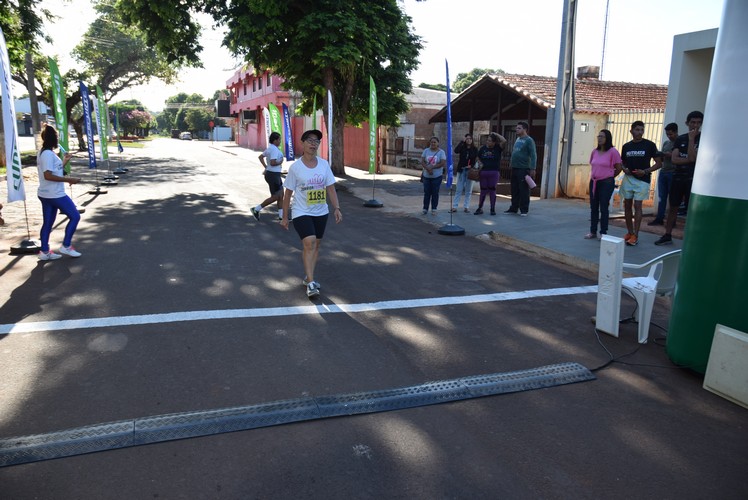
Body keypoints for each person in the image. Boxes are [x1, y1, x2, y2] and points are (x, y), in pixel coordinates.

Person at [280, 129, 343, 298]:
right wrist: (285, 216)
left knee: (317, 245)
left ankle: (309, 277)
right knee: (309, 242)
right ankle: (312, 283)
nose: (313, 144)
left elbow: (330, 187)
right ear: (302, 143)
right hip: (301, 211)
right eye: (310, 140)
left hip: (321, 211)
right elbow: (287, 194)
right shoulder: (295, 168)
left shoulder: (323, 165)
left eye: (316, 141)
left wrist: (336, 208)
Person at [656, 111, 703, 246]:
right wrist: (688, 158)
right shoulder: (680, 139)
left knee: (691, 210)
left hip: (693, 179)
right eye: (693, 122)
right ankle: (667, 235)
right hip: (678, 177)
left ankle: (690, 238)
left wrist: (691, 140)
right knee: (673, 208)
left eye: (698, 122)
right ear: (687, 123)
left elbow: (694, 159)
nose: (695, 125)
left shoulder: (703, 139)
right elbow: (675, 159)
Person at [36, 125, 83, 261]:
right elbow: (48, 175)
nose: (58, 140)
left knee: (48, 224)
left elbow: (54, 170)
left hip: (47, 194)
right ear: (53, 139)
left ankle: (44, 251)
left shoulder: (45, 153)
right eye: (57, 137)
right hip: (54, 194)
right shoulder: (47, 154)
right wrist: (69, 179)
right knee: (75, 216)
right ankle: (66, 246)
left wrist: (64, 162)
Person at [619, 120, 662, 246]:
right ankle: (629, 232)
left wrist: (645, 171)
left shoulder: (650, 145)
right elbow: (623, 162)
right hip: (628, 179)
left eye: (641, 130)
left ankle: (635, 236)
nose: (639, 132)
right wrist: (624, 168)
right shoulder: (626, 146)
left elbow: (659, 163)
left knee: (638, 206)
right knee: (627, 205)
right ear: (631, 130)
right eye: (637, 130)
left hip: (642, 180)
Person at [585, 129, 622, 239]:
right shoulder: (594, 152)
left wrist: (609, 176)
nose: (600, 138)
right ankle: (593, 231)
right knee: (594, 207)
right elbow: (593, 164)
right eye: (599, 136)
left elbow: (618, 167)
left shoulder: (613, 152)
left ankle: (603, 232)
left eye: (602, 137)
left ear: (607, 139)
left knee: (604, 207)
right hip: (594, 181)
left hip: (606, 182)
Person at [648, 123, 678, 226]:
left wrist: (666, 154)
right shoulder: (666, 143)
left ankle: (672, 220)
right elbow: (662, 157)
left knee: (672, 198)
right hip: (664, 171)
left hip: (673, 172)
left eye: (671, 134)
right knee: (662, 197)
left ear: (676, 132)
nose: (669, 136)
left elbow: (675, 156)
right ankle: (659, 218)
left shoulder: (679, 143)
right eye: (667, 134)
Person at [505, 121, 537, 216]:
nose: (516, 130)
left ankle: (524, 209)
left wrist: (532, 168)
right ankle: (514, 208)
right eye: (516, 128)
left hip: (523, 168)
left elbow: (533, 155)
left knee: (523, 190)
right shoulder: (517, 139)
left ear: (525, 129)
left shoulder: (529, 140)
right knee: (514, 189)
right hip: (515, 168)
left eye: (519, 128)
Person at [251, 131, 284, 221]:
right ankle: (256, 209)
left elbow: (260, 157)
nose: (280, 141)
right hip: (273, 175)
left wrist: (266, 167)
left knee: (281, 195)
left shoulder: (271, 148)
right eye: (279, 139)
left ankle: (282, 217)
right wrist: (280, 162)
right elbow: (273, 162)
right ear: (275, 140)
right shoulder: (273, 149)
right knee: (276, 196)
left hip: (273, 174)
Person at [473, 132, 507, 215]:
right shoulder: (482, 148)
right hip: (483, 172)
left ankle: (492, 208)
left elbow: (504, 141)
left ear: (494, 142)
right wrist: (479, 163)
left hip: (494, 172)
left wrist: (496, 134)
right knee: (483, 190)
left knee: (492, 190)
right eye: (487, 140)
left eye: (490, 141)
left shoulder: (498, 148)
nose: (488, 142)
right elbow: (477, 157)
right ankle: (480, 207)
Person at [451, 134, 478, 213]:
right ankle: (455, 206)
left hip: (470, 171)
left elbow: (475, 159)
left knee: (468, 190)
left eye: (470, 139)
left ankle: (466, 206)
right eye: (467, 139)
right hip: (462, 170)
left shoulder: (474, 149)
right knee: (459, 189)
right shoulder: (462, 147)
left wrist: (471, 165)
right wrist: (461, 142)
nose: (468, 140)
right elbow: (456, 150)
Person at [420, 136, 446, 215]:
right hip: (426, 176)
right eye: (431, 142)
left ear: (438, 143)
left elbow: (442, 162)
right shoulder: (426, 151)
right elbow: (422, 161)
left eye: (435, 142)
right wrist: (428, 169)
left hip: (437, 177)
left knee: (435, 192)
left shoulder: (441, 152)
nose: (433, 143)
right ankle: (425, 208)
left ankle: (434, 209)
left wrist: (432, 167)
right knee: (427, 192)